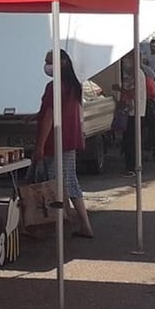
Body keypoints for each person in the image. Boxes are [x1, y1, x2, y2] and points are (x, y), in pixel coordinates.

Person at [35, 50, 93, 238]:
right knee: (67, 182)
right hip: (69, 140)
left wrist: (39, 146)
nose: (46, 65)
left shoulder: (55, 87)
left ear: (62, 63)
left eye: (49, 61)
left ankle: (61, 224)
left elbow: (50, 117)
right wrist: (35, 116)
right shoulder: (73, 86)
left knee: (56, 184)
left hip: (56, 141)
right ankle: (77, 224)